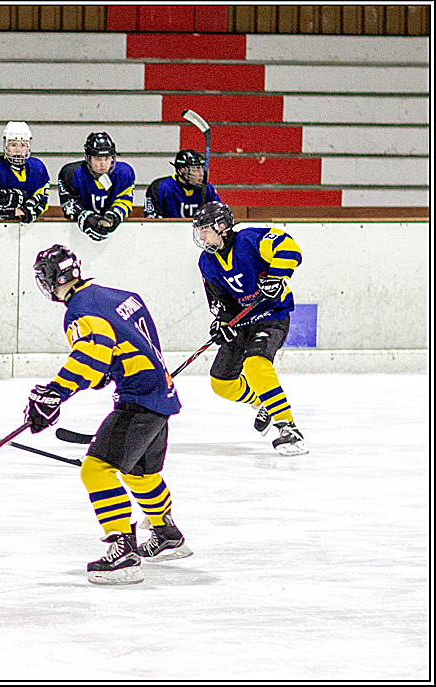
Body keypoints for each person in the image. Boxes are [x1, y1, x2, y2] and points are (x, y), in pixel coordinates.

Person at [25, 244, 190, 585]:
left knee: (97, 470)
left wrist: (54, 393)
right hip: (160, 392)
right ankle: (167, 534)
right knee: (141, 474)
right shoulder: (118, 295)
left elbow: (91, 356)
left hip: (139, 399)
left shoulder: (80, 309)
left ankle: (123, 549)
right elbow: (119, 347)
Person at [193, 201, 308, 456]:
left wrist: (276, 276)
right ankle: (263, 400)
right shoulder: (207, 262)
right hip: (243, 322)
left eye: (205, 229)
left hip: (271, 315)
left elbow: (290, 248)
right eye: (199, 230)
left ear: (222, 227)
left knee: (256, 364)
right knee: (221, 382)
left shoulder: (249, 239)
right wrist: (222, 323)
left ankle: (288, 428)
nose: (201, 236)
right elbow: (220, 301)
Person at [58, 132, 135, 242]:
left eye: (107, 158)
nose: (103, 163)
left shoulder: (125, 173)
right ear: (88, 158)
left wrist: (114, 216)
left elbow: (125, 200)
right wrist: (86, 218)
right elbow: (70, 204)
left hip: (116, 238)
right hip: (76, 236)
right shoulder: (72, 173)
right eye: (98, 159)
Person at [0, 121, 49, 223]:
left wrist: (26, 211)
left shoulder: (38, 168)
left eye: (23, 145)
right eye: (13, 145)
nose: (18, 150)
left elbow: (42, 201)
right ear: (6, 146)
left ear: (28, 147)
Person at [144, 149, 220, 219]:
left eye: (201, 168)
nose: (201, 174)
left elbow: (219, 215)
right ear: (181, 170)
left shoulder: (208, 189)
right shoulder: (160, 188)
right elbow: (152, 220)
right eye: (195, 169)